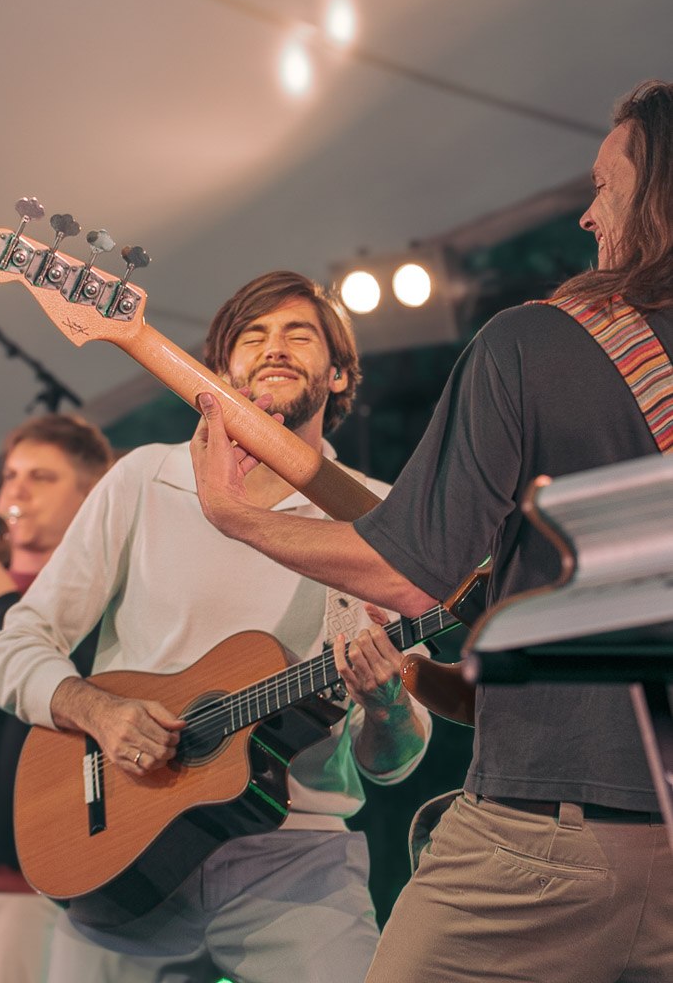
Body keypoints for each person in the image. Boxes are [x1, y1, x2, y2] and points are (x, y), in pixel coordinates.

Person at [186, 80, 673, 983]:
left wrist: (231, 515)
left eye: (605, 185)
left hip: (551, 839)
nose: (586, 215)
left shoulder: (534, 342)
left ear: (654, 195)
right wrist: (420, 684)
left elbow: (407, 578)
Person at [0, 271, 430, 983]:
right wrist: (97, 710)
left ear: (341, 372)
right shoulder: (143, 479)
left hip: (296, 859)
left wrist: (384, 706)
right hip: (116, 847)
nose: (273, 347)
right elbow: (14, 643)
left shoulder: (378, 517)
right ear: (220, 370)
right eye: (251, 335)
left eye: (299, 333)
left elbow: (392, 760)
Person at [0, 414, 113, 983]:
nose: (14, 491)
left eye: (40, 477)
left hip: (30, 885)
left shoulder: (100, 600)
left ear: (91, 495)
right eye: (11, 474)